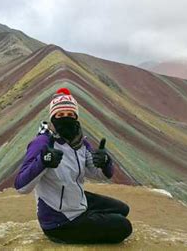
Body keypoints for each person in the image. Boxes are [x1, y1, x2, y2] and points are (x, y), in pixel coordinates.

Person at [14, 87, 133, 244]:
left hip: (75, 201)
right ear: (52, 117)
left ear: (76, 117)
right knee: (124, 227)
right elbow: (21, 186)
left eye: (70, 114)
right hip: (59, 220)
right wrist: (43, 161)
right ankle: (76, 225)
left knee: (123, 209)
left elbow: (102, 174)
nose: (65, 118)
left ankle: (85, 214)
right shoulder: (42, 143)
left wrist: (104, 162)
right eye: (60, 114)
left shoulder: (79, 142)